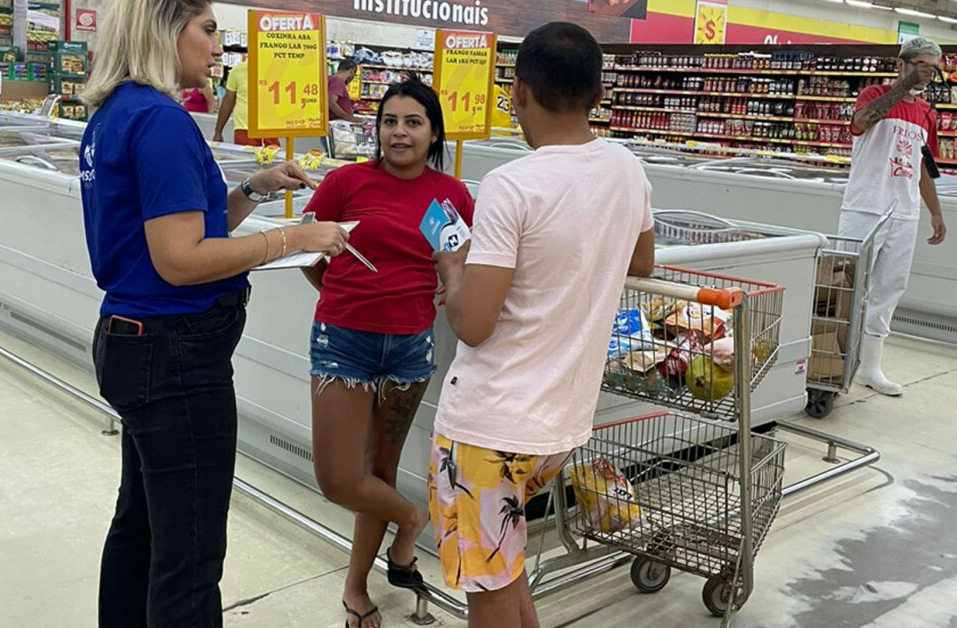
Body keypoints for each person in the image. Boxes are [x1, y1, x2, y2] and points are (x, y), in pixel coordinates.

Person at [78, 1, 348, 626]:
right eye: (207, 30)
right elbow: (180, 259)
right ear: (163, 29)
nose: (217, 46)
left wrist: (252, 189)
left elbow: (181, 231)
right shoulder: (162, 121)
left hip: (134, 341)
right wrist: (293, 239)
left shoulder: (115, 113)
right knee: (190, 556)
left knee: (141, 525)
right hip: (176, 356)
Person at [428, 22, 655, 628]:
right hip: (559, 423)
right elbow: (641, 261)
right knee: (505, 568)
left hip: (489, 422)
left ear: (519, 91)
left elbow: (473, 323)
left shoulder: (512, 184)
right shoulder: (626, 168)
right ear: (597, 94)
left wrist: (453, 267)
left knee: (487, 584)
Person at [301, 74, 475, 628]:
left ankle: (356, 587)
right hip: (342, 343)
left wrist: (450, 281)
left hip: (409, 349)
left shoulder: (452, 195)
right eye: (390, 122)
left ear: (433, 133)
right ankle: (412, 517)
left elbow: (460, 262)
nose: (399, 133)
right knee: (338, 478)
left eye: (413, 123)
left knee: (379, 469)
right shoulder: (345, 182)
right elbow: (308, 253)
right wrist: (344, 294)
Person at [842, 36, 948, 396]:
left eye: (932, 68)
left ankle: (870, 365)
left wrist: (935, 212)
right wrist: (904, 86)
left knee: (889, 287)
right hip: (865, 206)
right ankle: (837, 358)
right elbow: (860, 123)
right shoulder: (873, 95)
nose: (927, 73)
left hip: (905, 212)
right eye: (921, 65)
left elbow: (925, 167)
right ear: (901, 64)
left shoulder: (927, 113)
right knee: (848, 284)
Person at [213, 60, 280, 147]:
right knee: (245, 155)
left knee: (274, 155)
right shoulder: (238, 70)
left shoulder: (277, 70)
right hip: (244, 129)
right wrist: (218, 132)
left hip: (269, 129)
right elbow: (228, 102)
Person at [329, 58, 360, 123]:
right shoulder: (338, 80)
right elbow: (331, 102)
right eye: (354, 75)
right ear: (351, 71)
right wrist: (349, 118)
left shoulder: (333, 79)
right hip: (338, 123)